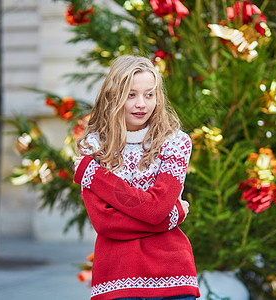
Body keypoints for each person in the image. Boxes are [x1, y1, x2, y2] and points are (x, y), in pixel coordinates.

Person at [73, 55, 200, 300]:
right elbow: (105, 223)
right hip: (116, 277)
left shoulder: (175, 143)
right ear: (113, 96)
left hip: (172, 274)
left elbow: (155, 209)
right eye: (131, 95)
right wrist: (173, 216)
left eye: (149, 94)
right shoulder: (93, 148)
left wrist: (95, 177)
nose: (141, 103)